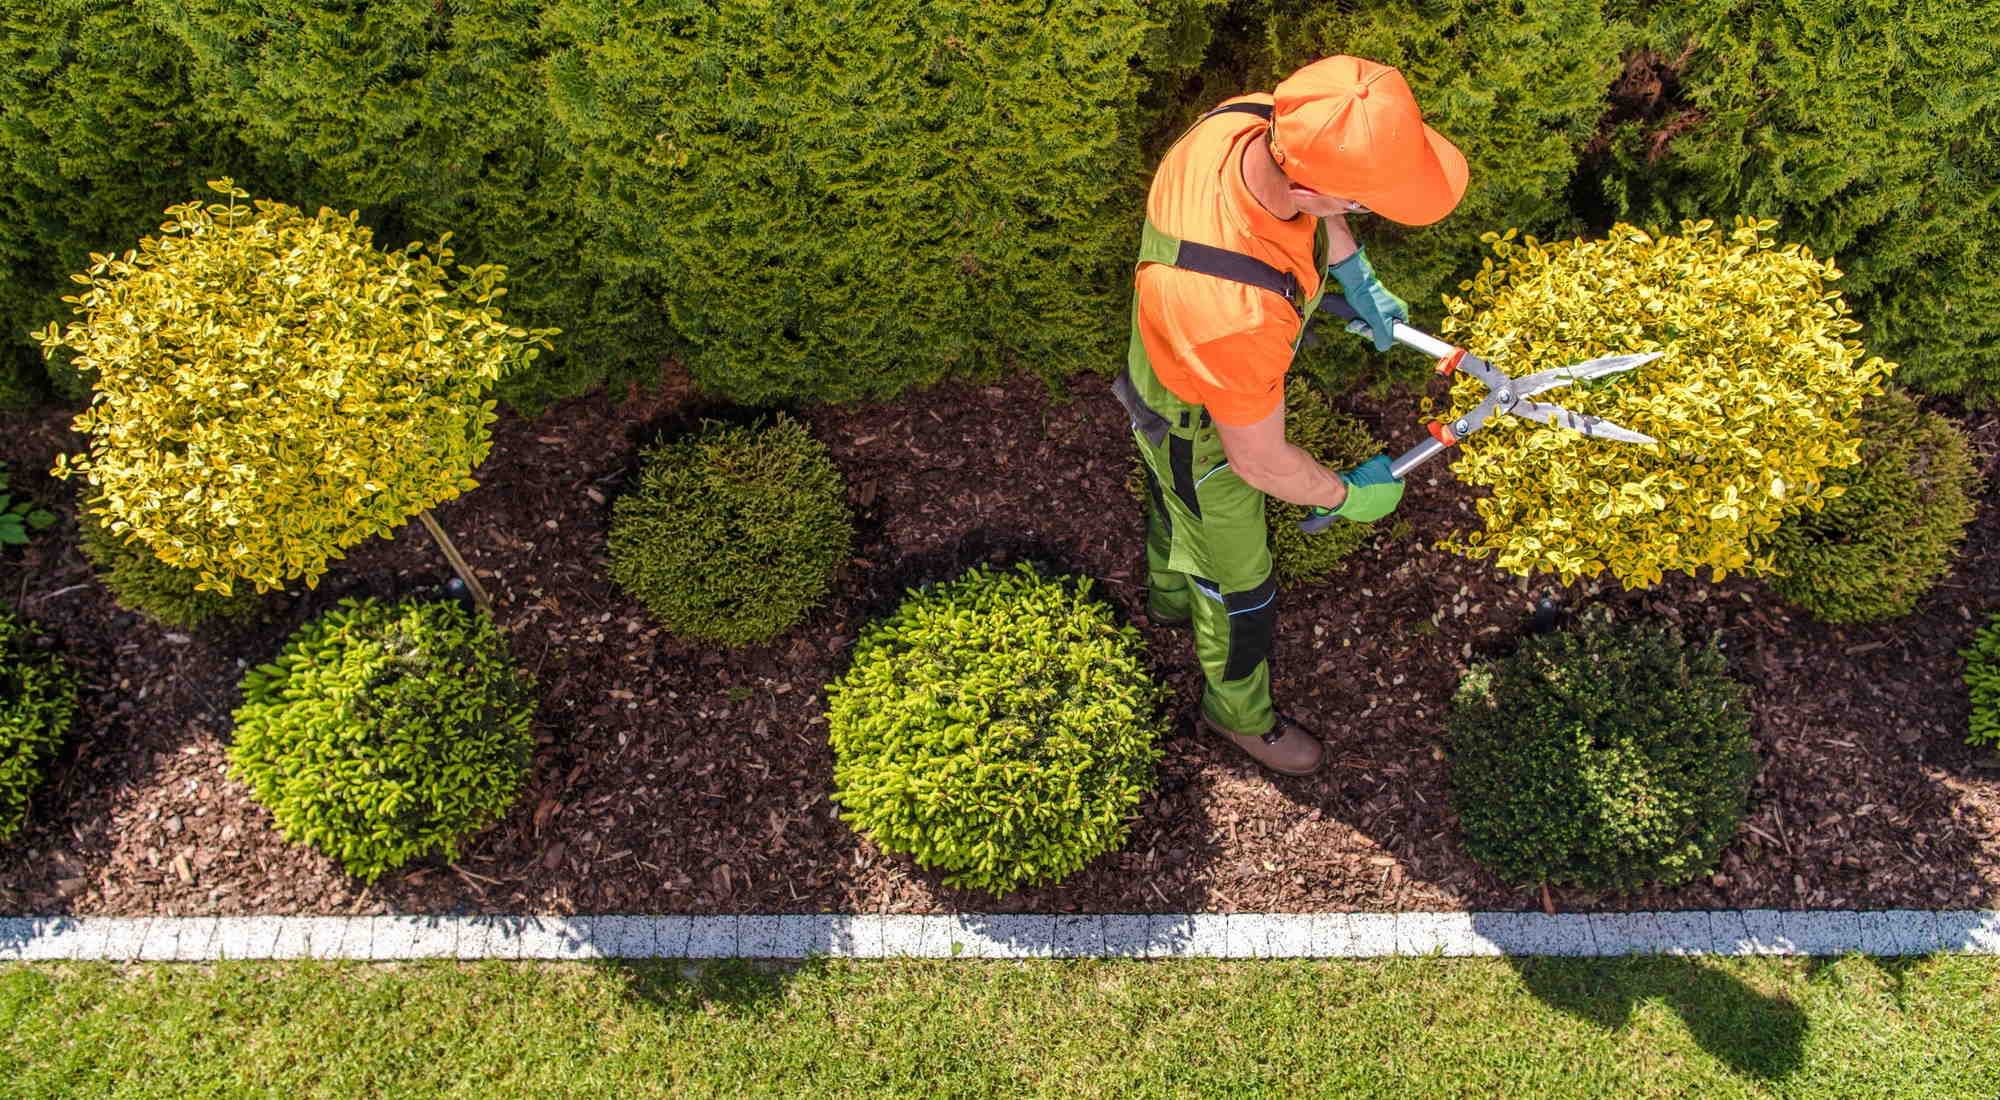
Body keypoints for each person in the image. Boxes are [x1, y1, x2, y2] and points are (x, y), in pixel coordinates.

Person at [1113, 55, 1467, 776]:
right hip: (1199, 428)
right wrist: (1350, 492)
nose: (1358, 217)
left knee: (1168, 500)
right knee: (1239, 585)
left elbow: (1315, 201)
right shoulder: (1234, 317)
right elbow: (1260, 463)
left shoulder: (1248, 121)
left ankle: (1166, 596)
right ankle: (1238, 715)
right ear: (1310, 187)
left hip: (1163, 361)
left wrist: (1354, 273)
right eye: (1362, 203)